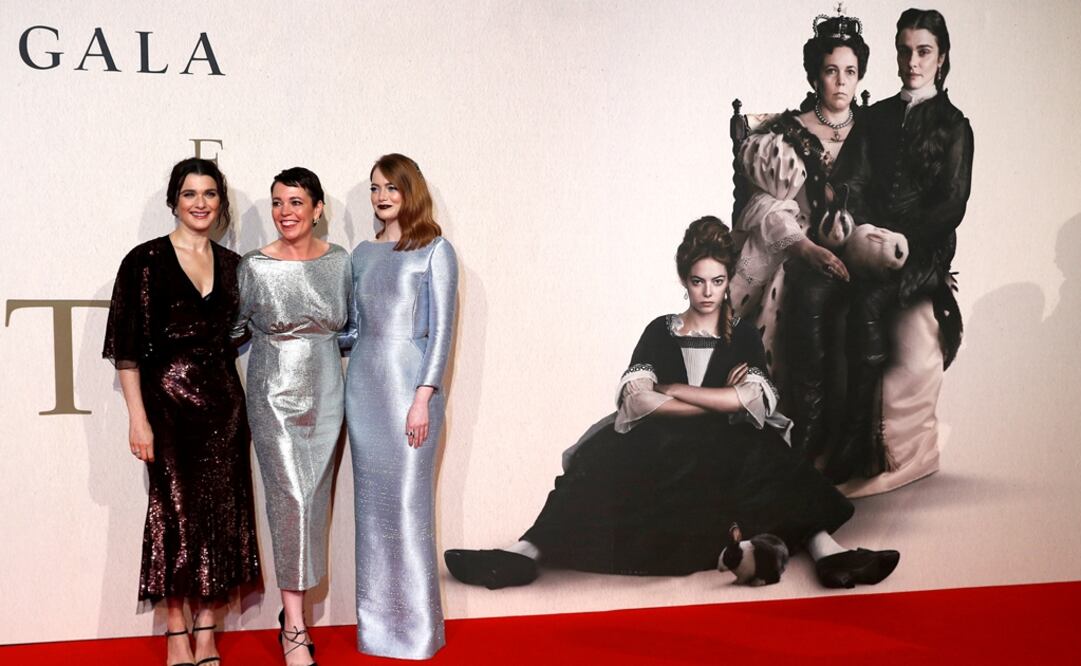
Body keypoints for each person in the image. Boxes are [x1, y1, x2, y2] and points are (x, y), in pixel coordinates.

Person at [444, 217, 897, 590]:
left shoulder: (740, 334)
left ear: (727, 281)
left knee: (778, 462)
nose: (707, 292)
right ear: (685, 280)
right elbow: (637, 400)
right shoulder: (660, 330)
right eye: (698, 281)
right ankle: (524, 553)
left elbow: (755, 398)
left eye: (717, 281)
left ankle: (829, 555)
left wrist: (678, 391)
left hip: (727, 446)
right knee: (598, 465)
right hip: (663, 444)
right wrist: (717, 402)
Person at [103, 157, 260, 666]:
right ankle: (176, 632)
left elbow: (243, 333)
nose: (200, 203)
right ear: (174, 200)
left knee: (219, 516)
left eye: (210, 194)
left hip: (223, 409)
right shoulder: (143, 261)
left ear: (221, 203)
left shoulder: (236, 265)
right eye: (190, 193)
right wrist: (137, 417)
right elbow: (127, 349)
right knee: (171, 515)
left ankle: (208, 632)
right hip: (166, 409)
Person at [825, 8, 972, 484]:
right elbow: (853, 178)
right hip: (871, 240)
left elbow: (952, 204)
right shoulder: (877, 116)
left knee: (869, 300)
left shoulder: (955, 125)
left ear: (941, 58)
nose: (912, 62)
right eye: (905, 51)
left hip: (923, 251)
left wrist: (904, 239)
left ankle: (858, 446)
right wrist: (862, 228)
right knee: (824, 294)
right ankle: (821, 435)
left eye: (923, 52)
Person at [729, 10, 868, 467]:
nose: (842, 83)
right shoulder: (787, 134)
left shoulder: (873, 131)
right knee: (783, 299)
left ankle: (848, 439)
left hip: (861, 241)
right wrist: (806, 248)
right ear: (815, 74)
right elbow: (764, 206)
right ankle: (795, 431)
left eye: (850, 72)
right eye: (831, 71)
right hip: (798, 243)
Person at [340, 154, 458, 659]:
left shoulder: (435, 250)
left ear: (411, 190)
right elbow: (350, 329)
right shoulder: (360, 255)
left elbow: (442, 333)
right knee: (371, 516)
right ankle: (377, 632)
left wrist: (423, 398)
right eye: (374, 188)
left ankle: (416, 634)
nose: (382, 196)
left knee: (408, 512)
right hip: (364, 391)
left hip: (411, 394)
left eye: (391, 186)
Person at [233, 167, 351, 666]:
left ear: (318, 209)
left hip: (327, 390)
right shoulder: (254, 265)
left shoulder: (341, 262)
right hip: (272, 391)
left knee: (315, 498)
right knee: (290, 499)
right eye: (278, 202)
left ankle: (294, 615)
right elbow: (236, 328)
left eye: (297, 202)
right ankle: (295, 627)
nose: (286, 212)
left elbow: (351, 329)